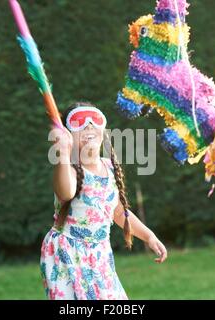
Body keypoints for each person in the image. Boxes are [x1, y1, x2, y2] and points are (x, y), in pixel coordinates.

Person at [40, 101, 167, 300]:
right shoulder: (69, 169)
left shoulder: (109, 167)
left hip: (99, 254)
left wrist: (148, 236)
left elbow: (117, 211)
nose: (89, 125)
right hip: (68, 254)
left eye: (95, 119)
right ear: (67, 135)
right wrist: (63, 154)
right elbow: (66, 192)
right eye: (79, 122)